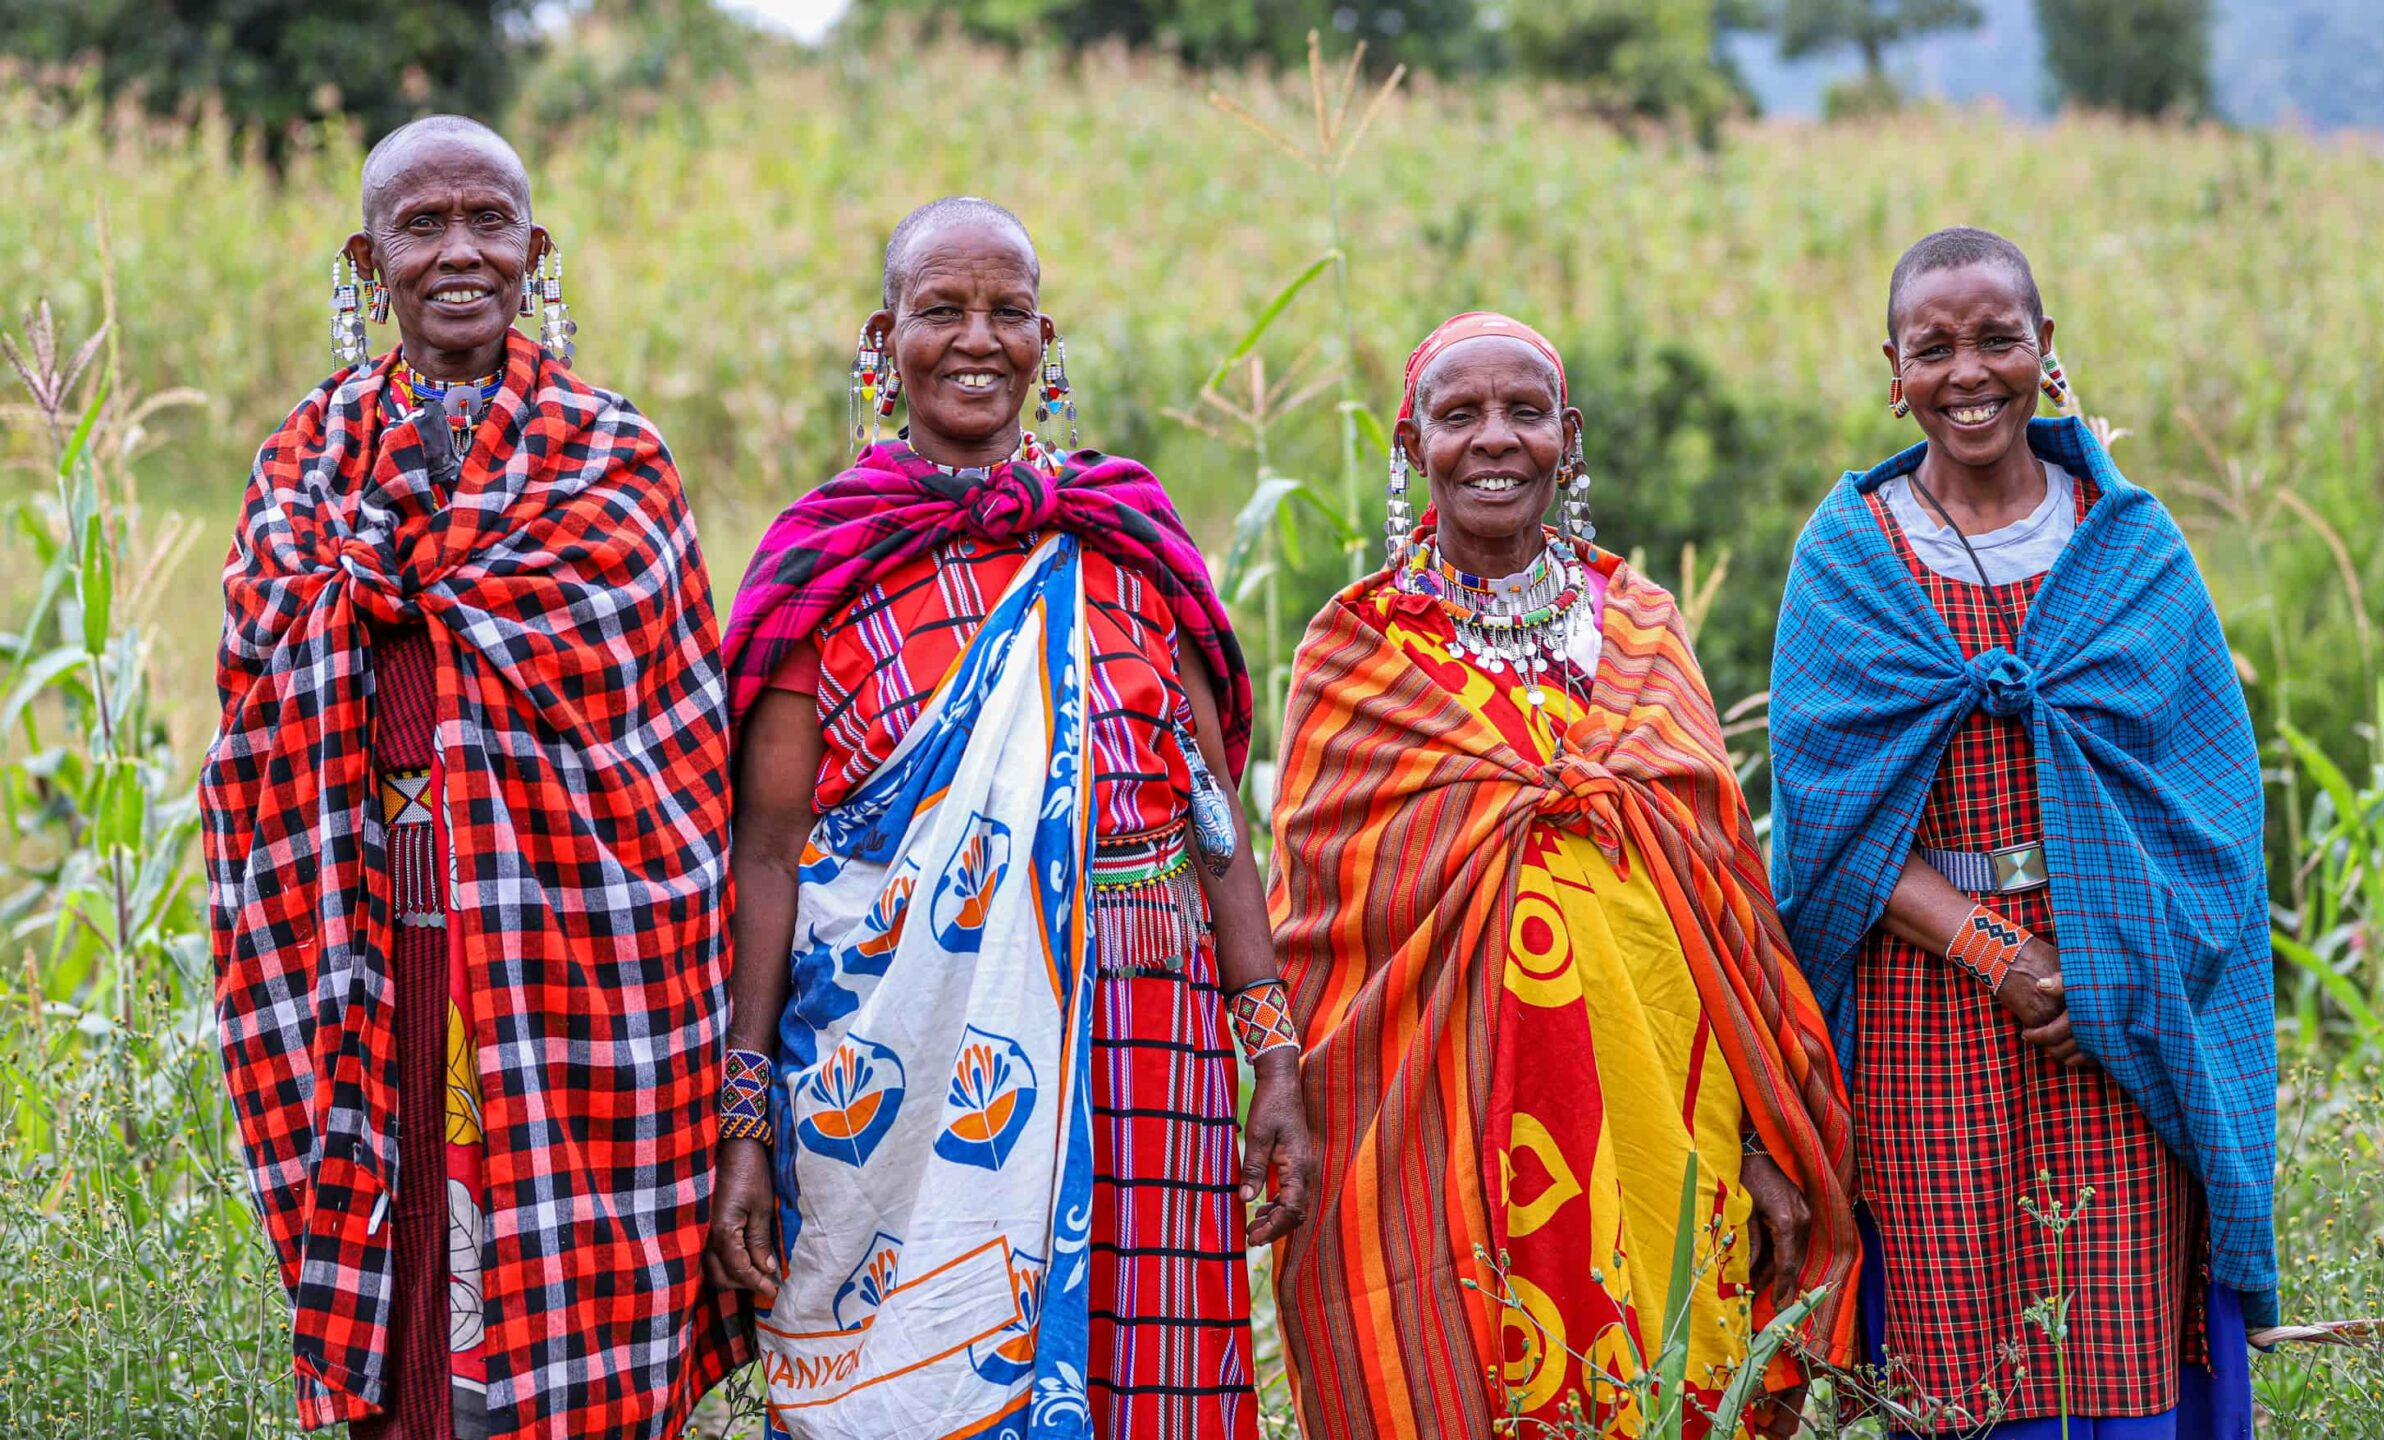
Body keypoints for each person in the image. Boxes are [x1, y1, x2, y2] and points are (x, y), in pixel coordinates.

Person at [713, 196, 1313, 1440]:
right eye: (942, 311)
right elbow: (766, 859)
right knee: (912, 1382)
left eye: (1006, 312)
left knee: (1150, 1392)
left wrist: (1275, 1060)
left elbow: (1219, 831)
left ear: (1048, 338)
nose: (976, 338)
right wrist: (743, 1122)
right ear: (886, 342)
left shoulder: (1131, 543)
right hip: (904, 1065)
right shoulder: (824, 566)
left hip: (1152, 1038)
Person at [201, 116, 747, 1440]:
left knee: (565, 1283)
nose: (459, 253)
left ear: (535, 249)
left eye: (489, 222)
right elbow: (254, 698)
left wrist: (394, 605)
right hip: (369, 950)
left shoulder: (612, 462)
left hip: (576, 965)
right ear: (367, 257)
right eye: (422, 225)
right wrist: (379, 613)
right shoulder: (304, 462)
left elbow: (666, 751)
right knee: (404, 1291)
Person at [1266, 313, 1858, 1438]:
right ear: (1412, 444)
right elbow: (1325, 937)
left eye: (1524, 413)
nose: (1494, 440)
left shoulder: (1638, 626)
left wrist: (1756, 1139)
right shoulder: (1357, 653)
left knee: (1678, 1378)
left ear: (1567, 437)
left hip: (1670, 1124)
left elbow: (1719, 904)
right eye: (1460, 416)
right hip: (1443, 1138)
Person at [1766, 227, 2273, 1438]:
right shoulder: (1850, 557)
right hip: (1927, 1003)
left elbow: (2208, 800)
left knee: (2125, 1294)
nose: (1967, 371)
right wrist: (2001, 954)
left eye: (1997, 339)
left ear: (2045, 352)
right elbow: (1829, 821)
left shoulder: (2131, 546)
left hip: (2122, 1003)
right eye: (1933, 348)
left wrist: (2097, 968)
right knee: (1957, 1320)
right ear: (1894, 372)